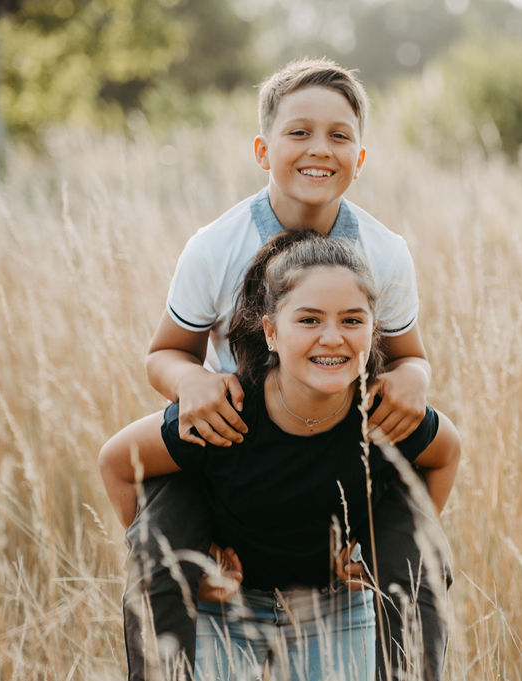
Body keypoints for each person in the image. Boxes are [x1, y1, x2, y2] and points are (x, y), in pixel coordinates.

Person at [98, 57, 459, 681]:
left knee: (414, 559)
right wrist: (192, 382)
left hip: (341, 442)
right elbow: (164, 354)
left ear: (360, 158)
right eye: (299, 132)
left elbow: (411, 359)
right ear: (263, 150)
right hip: (224, 440)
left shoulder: (384, 252)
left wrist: (413, 379)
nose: (319, 149)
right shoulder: (216, 246)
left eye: (339, 136)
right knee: (160, 554)